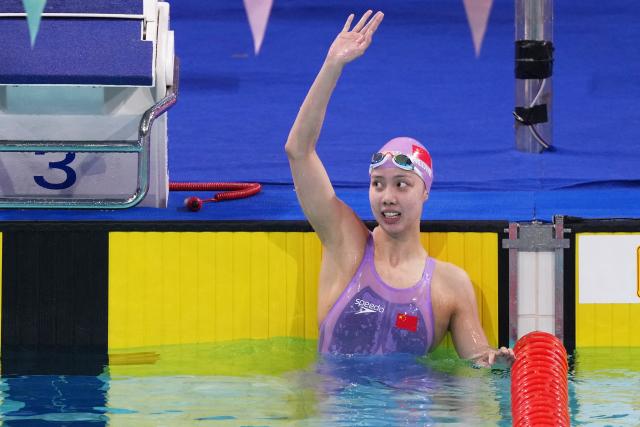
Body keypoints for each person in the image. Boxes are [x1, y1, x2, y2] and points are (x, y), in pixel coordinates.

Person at [285, 10, 514, 367]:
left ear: (425, 192)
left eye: (401, 184)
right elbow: (298, 151)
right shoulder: (346, 244)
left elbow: (478, 362)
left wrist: (494, 362)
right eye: (378, 184)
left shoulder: (450, 285)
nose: (387, 196)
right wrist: (333, 65)